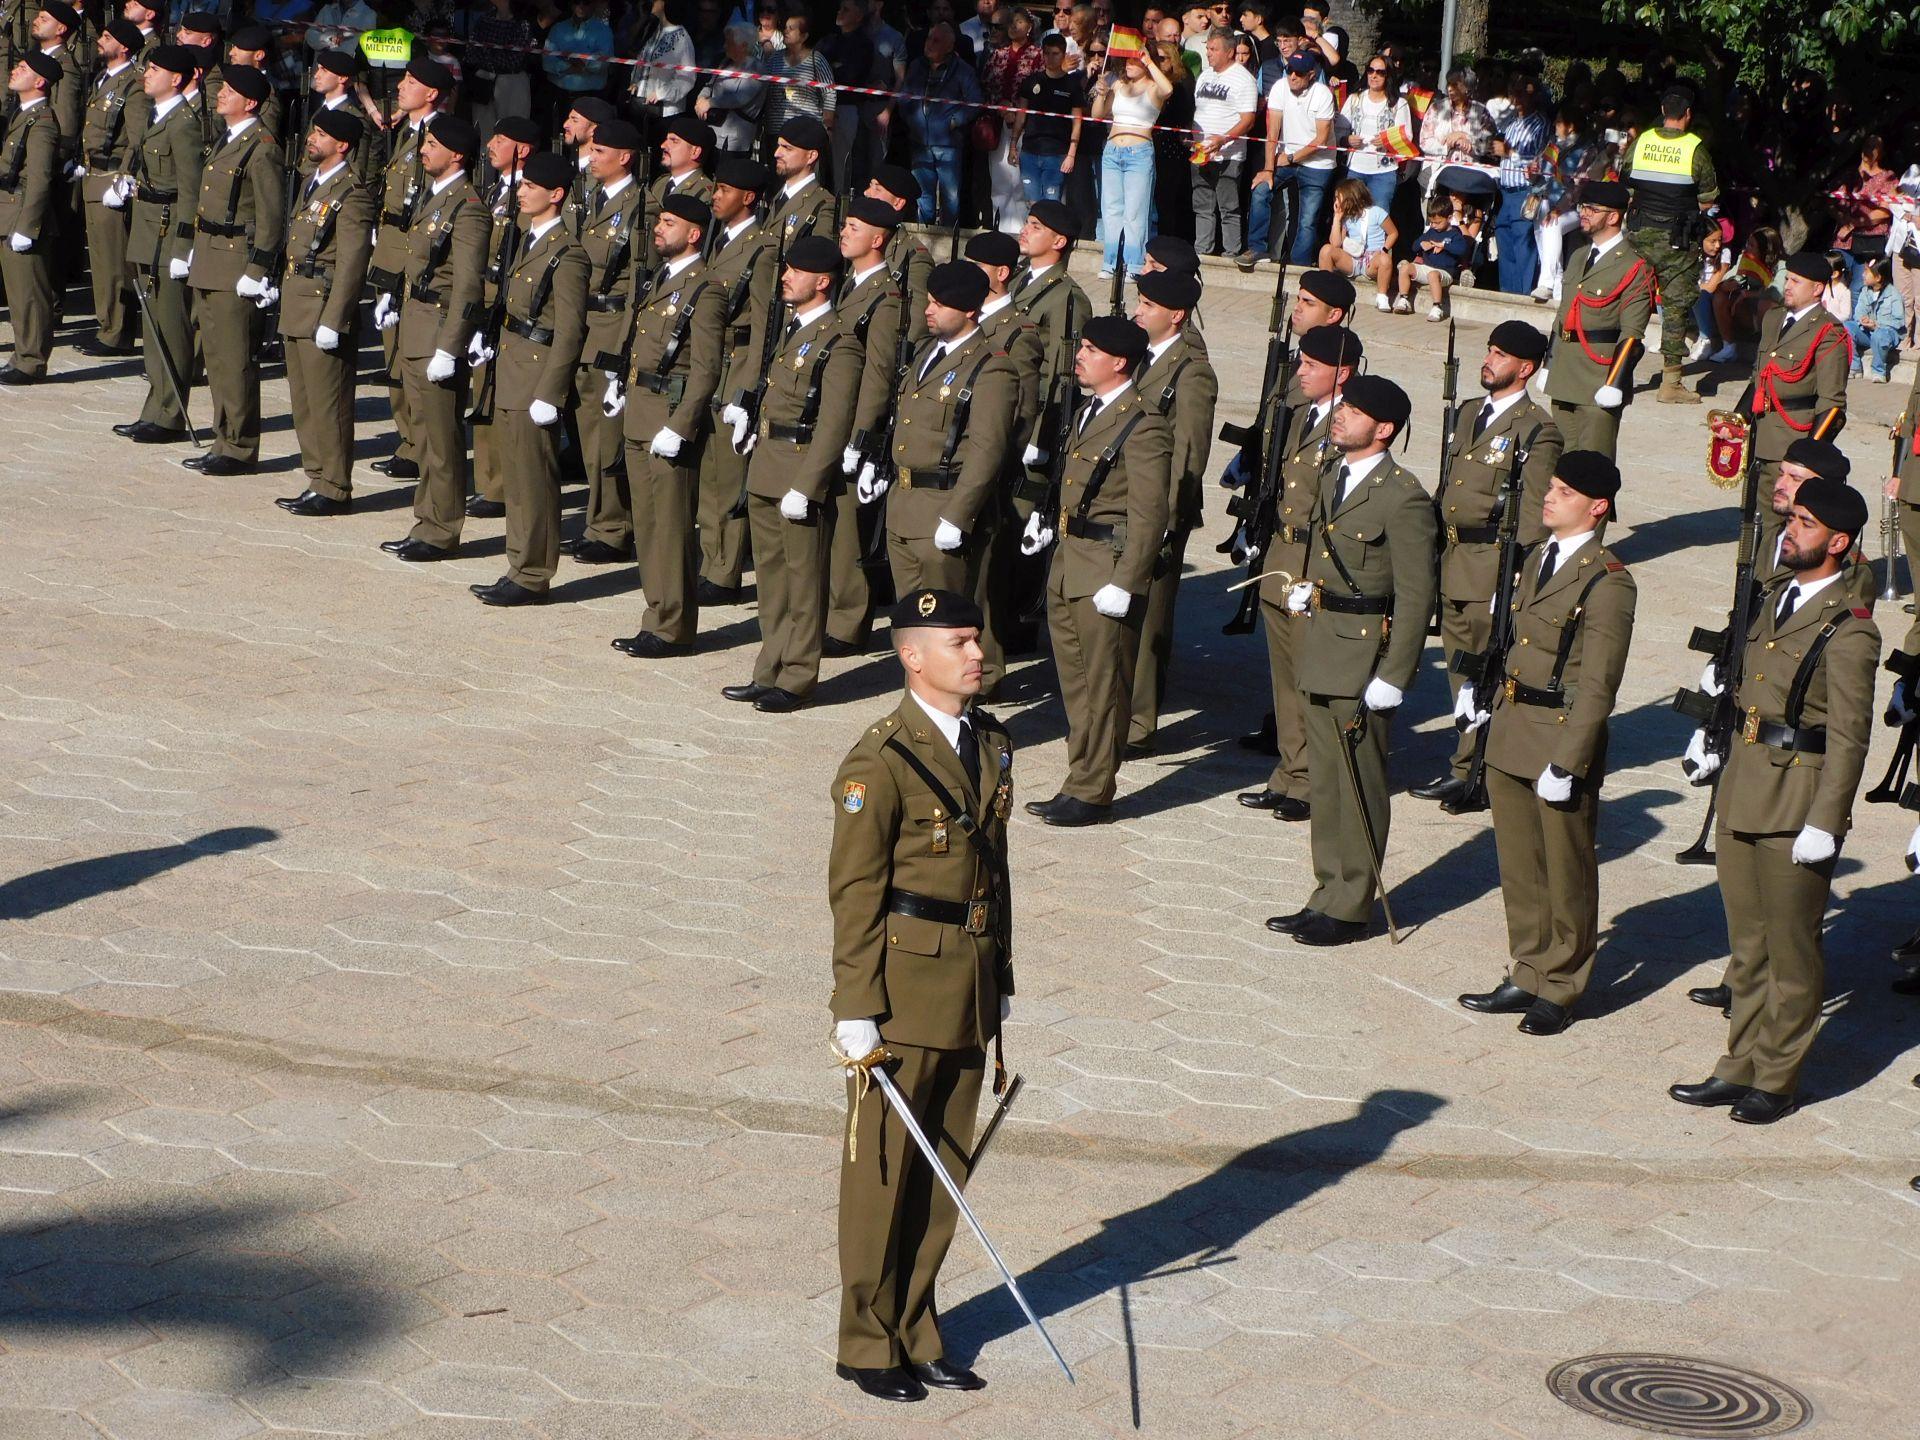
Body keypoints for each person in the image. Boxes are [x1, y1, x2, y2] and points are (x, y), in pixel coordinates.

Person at [828, 587, 1012, 1406]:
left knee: (945, 1170)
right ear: (913, 656)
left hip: (967, 978)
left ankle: (917, 1328)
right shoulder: (880, 759)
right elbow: (855, 893)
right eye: (960, 642)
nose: (977, 654)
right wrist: (854, 1006)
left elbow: (994, 875)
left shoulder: (990, 741)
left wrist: (1000, 977)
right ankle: (866, 1341)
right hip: (902, 987)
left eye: (977, 640)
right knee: (883, 1176)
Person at [1671, 476, 1877, 1125]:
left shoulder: (1850, 630)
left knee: (1792, 949)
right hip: (1745, 782)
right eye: (1795, 519)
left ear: (1839, 543)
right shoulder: (1777, 596)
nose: (1792, 529)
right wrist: (1712, 736)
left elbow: (1849, 735)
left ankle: (1779, 1077)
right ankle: (1737, 1065)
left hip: (1797, 798)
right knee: (1748, 943)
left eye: (1808, 524)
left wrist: (1828, 819)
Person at [1457, 452, 1636, 1036]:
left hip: (1559, 736)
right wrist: (1482, 696)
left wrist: (1571, 758)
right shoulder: (1537, 559)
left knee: (1566, 868)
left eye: (1563, 491)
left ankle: (1562, 983)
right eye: (1551, 486)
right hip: (1512, 726)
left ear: (1597, 506)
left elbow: (1598, 685)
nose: (1549, 497)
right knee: (1520, 864)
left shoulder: (1608, 582)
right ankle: (1528, 967)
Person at [1266, 374, 1435, 945]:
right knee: (1326, 780)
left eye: (1355, 411)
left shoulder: (1402, 495)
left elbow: (1416, 595)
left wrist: (1395, 674)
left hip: (1364, 653)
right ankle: (1326, 890)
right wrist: (1305, 589)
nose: (1340, 416)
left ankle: (1352, 902)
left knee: (1359, 780)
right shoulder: (1336, 473)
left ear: (1383, 429)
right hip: (1321, 640)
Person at [1020, 315, 1172, 826]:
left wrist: (1127, 581)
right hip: (1070, 564)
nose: (1079, 355)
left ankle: (1092, 789)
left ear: (1120, 362)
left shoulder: (1142, 423)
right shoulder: (1089, 410)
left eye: (1090, 349)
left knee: (1104, 686)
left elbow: (1151, 515)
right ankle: (1078, 777)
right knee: (1077, 685)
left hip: (1106, 571)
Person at [1416, 321, 1564, 811]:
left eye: (1500, 355)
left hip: (1492, 566)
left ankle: (1481, 774)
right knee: (1462, 669)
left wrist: (1516, 576)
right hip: (1454, 560)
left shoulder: (1537, 430)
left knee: (1488, 672)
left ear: (1525, 368)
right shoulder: (1467, 413)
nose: (1489, 359)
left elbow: (1534, 513)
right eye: (1489, 350)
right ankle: (1465, 765)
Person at [720, 233, 863, 711]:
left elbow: (834, 423)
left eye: (797, 271)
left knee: (803, 582)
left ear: (822, 281)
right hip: (767, 465)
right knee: (772, 580)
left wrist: (808, 484)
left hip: (800, 470)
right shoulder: (794, 328)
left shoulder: (839, 343)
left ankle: (798, 675)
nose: (786, 277)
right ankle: (769, 668)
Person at [1236, 313, 1357, 823]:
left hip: (1314, 567)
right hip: (1281, 560)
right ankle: (1289, 772)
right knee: (1284, 681)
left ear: (1343, 373)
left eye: (1311, 365)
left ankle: (1312, 783)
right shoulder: (1301, 414)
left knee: (1310, 681)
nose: (1300, 372)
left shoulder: (1349, 423)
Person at [470, 150, 589, 608]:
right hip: (511, 364)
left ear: (555, 194)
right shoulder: (527, 238)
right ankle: (518, 565)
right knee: (517, 480)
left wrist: (551, 391)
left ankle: (533, 573)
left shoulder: (568, 255)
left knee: (535, 481)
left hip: (535, 374)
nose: (520, 191)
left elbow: (571, 329)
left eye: (530, 186)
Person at [608, 192, 726, 657]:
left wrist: (680, 425)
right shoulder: (661, 278)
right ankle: (655, 614)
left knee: (672, 526)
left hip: (668, 420)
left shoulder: (705, 289)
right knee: (649, 524)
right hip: (641, 412)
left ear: (694, 234)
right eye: (659, 221)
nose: (658, 228)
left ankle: (674, 626)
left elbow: (706, 369)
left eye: (669, 222)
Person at [377, 114, 488, 564]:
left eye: (433, 144)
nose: (423, 150)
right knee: (423, 435)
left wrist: (451, 345)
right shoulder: (434, 196)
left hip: (438, 330)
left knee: (441, 441)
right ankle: (426, 520)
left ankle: (441, 530)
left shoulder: (468, 207)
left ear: (456, 154)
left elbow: (467, 285)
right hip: (415, 323)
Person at [880, 260, 1018, 604]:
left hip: (944, 505)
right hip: (904, 507)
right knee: (912, 626)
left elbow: (987, 452)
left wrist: (958, 517)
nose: (928, 311)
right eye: (929, 301)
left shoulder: (991, 367)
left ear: (970, 309)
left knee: (953, 626)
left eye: (939, 304)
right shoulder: (928, 351)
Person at [1128, 268, 1217, 756]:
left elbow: (1188, 456)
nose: (1138, 312)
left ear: (1175, 315)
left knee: (1149, 620)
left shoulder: (1191, 371)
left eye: (1147, 306)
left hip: (1157, 510)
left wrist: (1165, 521)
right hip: (1123, 502)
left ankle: (1140, 721)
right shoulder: (1140, 357)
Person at [181, 64, 284, 477]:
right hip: (210, 258)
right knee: (217, 359)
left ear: (251, 102)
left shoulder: (262, 147)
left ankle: (240, 447)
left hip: (235, 260)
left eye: (230, 90)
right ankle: (223, 439)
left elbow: (271, 217)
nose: (220, 94)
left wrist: (258, 268)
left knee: (236, 358)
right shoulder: (230, 138)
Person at [275, 108, 375, 517]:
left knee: (328, 402)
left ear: (343, 145)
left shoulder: (352, 194)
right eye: (313, 131)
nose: (312, 139)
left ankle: (334, 486)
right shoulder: (312, 183)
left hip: (322, 305)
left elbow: (352, 263)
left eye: (321, 134)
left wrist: (335, 319)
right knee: (304, 400)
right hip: (298, 298)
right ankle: (316, 476)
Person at [558, 119, 647, 564]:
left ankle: (612, 527)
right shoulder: (587, 199)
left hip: (610, 328)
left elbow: (638, 286)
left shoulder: (640, 207)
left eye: (599, 152)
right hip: (579, 324)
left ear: (624, 157)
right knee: (584, 431)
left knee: (603, 439)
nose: (590, 159)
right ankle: (598, 519)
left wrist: (627, 347)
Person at [365, 57, 454, 485]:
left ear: (432, 93)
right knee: (393, 353)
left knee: (412, 355)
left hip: (412, 255)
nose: (401, 86)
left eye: (411, 81)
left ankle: (420, 445)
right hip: (390, 250)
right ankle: (408, 440)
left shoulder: (439, 138)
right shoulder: (406, 132)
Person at [690, 156, 776, 599]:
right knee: (710, 472)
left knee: (726, 476)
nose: (714, 195)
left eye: (724, 190)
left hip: (736, 363)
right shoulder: (718, 240)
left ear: (749, 198)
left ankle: (724, 571)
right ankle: (712, 558)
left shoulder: (761, 250)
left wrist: (748, 389)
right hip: (710, 361)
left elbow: (762, 325)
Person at [113, 44, 203, 446]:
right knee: (152, 324)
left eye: (156, 70)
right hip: (148, 227)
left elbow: (190, 191)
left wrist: (185, 246)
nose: (146, 74)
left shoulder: (184, 123)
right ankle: (155, 407)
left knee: (171, 324)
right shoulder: (157, 115)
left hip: (169, 232)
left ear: (177, 79)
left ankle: (170, 414)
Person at [1747, 252, 1851, 553]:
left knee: (1781, 527)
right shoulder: (1773, 318)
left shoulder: (1828, 331)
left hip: (1793, 442)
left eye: (1795, 280)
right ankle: (1753, 591)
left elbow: (1832, 405)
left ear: (1817, 289)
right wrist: (1737, 422)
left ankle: (1773, 588)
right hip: (1761, 437)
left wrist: (1808, 456)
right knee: (1754, 522)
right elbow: (1760, 378)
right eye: (1786, 278)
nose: (1787, 285)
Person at [1544, 179, 1654, 460]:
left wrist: (1614, 383)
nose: (1584, 213)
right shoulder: (1579, 256)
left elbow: (1631, 334)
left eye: (1592, 209)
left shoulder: (1634, 266)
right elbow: (1562, 317)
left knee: (1593, 469)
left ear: (1614, 216)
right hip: (1565, 374)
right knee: (1561, 464)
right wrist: (1549, 364)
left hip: (1598, 378)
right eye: (1583, 207)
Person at [1622, 88, 1719, 403]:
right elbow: (1708, 199)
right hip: (1678, 241)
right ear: (1688, 114)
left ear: (1663, 108)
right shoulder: (1695, 149)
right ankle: (1671, 383)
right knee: (1675, 308)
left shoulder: (1642, 142)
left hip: (1638, 236)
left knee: (1633, 301)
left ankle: (1618, 375)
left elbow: (1626, 179)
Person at [77, 21, 148, 362]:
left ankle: (116, 332)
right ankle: (107, 324)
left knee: (113, 262)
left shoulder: (133, 83)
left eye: (107, 37)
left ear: (124, 47)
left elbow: (136, 137)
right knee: (100, 259)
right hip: (93, 174)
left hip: (111, 176)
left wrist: (126, 177)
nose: (99, 41)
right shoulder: (105, 79)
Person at [0, 51, 65, 387]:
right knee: (17, 292)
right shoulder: (22, 114)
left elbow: (39, 179)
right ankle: (21, 356)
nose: (15, 71)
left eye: (23, 69)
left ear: (39, 82)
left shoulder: (42, 122)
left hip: (23, 215)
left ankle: (32, 361)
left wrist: (27, 226)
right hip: (8, 211)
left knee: (30, 293)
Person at [901, 23, 979, 227]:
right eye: (928, 38)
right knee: (923, 195)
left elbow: (974, 102)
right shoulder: (917, 65)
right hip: (919, 142)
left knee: (950, 198)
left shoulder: (963, 70)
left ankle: (947, 238)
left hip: (948, 144)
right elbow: (904, 96)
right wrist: (912, 119)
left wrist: (954, 121)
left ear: (949, 46)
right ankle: (923, 235)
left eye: (936, 40)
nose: (929, 44)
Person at [1189, 26, 1256, 261]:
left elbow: (1248, 120)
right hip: (1201, 151)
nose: (1209, 54)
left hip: (1229, 154)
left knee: (1229, 206)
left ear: (1229, 52)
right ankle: (1202, 250)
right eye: (1207, 49)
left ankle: (1231, 252)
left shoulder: (1243, 79)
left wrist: (1223, 139)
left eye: (1214, 49)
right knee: (1202, 204)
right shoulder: (1205, 75)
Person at [1532, 104, 1603, 304]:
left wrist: (1558, 209)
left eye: (1559, 121)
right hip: (1543, 203)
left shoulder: (1587, 150)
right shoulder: (1552, 144)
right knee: (1546, 246)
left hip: (1573, 209)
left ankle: (1545, 284)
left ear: (1571, 126)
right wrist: (1532, 174)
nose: (1555, 124)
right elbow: (1540, 176)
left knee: (1552, 225)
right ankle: (1557, 293)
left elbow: (1577, 187)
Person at [980, 7, 1040, 232]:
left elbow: (1039, 89)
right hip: (999, 121)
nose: (1014, 27)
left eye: (1019, 22)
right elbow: (986, 84)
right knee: (1000, 178)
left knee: (1020, 181)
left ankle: (1022, 230)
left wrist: (1018, 110)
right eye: (1011, 23)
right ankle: (1002, 229)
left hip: (1025, 125)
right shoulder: (998, 53)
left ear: (1030, 26)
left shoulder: (1038, 55)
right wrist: (1002, 107)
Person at [1009, 31, 1083, 211]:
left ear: (1064, 55)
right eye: (1047, 53)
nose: (1050, 58)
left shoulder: (1072, 85)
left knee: (1052, 204)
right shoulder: (1031, 81)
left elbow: (1077, 122)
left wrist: (1071, 154)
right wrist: (1013, 145)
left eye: (1055, 54)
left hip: (1057, 154)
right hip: (1030, 151)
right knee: (1032, 203)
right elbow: (1021, 115)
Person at [1491, 74, 1549, 297]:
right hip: (1505, 191)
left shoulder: (1540, 124)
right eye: (1513, 92)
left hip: (1524, 191)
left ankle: (1522, 294)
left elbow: (1538, 161)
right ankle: (1507, 292)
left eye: (1522, 92)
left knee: (1523, 244)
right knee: (1504, 238)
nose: (1516, 97)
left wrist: (1509, 153)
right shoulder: (1511, 122)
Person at [1390, 192, 1471, 319]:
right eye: (1432, 222)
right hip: (1426, 268)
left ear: (1449, 218)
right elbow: (1414, 246)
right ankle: (1404, 299)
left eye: (1437, 222)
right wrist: (1423, 244)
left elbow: (1462, 250)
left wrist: (1444, 246)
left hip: (1444, 272)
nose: (1433, 225)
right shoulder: (1431, 232)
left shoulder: (1455, 234)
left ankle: (1437, 307)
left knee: (1433, 275)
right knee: (1405, 267)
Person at [697, 22, 770, 154]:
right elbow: (709, 84)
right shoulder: (725, 63)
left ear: (743, 46)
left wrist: (710, 102)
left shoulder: (756, 69)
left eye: (729, 43)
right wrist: (701, 99)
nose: (725, 46)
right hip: (712, 132)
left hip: (734, 141)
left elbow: (739, 98)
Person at [1322, 176, 1393, 298]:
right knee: (1326, 250)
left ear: (1351, 196)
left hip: (1373, 259)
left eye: (1339, 197)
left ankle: (1382, 297)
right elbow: (1335, 244)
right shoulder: (1345, 217)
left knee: (1385, 259)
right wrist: (1337, 217)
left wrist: (1384, 250)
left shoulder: (1377, 212)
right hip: (1353, 258)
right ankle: (1325, 290)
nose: (1336, 201)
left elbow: (1393, 233)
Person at [1847, 256, 1903, 383]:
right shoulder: (1865, 291)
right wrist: (1863, 320)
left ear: (1878, 277)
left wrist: (1877, 325)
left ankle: (1879, 371)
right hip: (1867, 333)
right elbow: (1859, 311)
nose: (1863, 275)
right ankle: (1855, 366)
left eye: (1866, 272)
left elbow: (1898, 321)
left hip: (1885, 335)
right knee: (1847, 327)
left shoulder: (1894, 294)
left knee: (1879, 335)